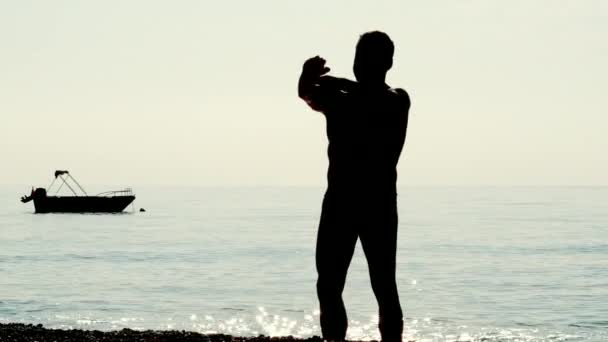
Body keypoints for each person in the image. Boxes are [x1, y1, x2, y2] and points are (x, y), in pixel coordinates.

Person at [298, 31, 410, 342]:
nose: (362, 65)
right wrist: (307, 76)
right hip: (341, 201)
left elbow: (372, 97)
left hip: (377, 202)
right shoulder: (341, 100)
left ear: (387, 63)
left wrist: (333, 83)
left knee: (384, 285)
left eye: (369, 60)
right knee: (329, 285)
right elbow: (306, 93)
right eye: (359, 59)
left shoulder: (397, 100)